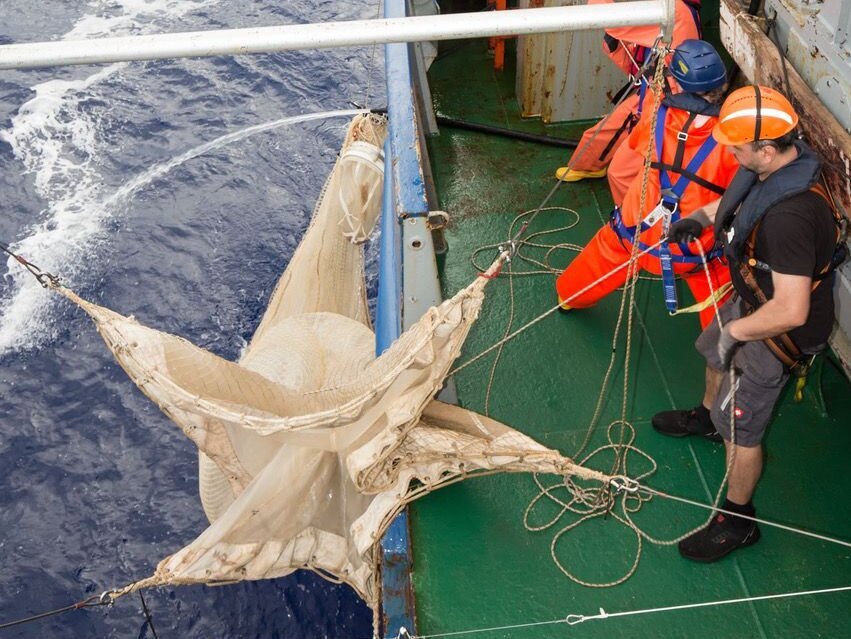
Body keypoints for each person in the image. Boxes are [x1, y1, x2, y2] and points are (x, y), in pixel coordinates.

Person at [652, 85, 844, 562]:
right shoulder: (776, 165)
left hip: (779, 330)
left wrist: (737, 334)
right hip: (753, 297)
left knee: (741, 428)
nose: (730, 154)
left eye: (736, 147)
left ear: (766, 149)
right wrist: (700, 218)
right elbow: (741, 205)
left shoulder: (790, 219)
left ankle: (738, 521)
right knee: (710, 350)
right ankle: (706, 418)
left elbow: (792, 310)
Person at [555, 40, 737, 329]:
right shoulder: (732, 139)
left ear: (677, 83)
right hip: (691, 249)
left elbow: (637, 144)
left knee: (606, 251)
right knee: (719, 284)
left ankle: (568, 296)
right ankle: (724, 342)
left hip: (637, 231)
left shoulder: (656, 114)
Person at [555, 0, 703, 206]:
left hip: (667, 109)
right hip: (650, 93)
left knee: (620, 174)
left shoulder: (673, 10)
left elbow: (609, 19)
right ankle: (588, 166)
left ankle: (637, 221)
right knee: (598, 135)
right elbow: (636, 59)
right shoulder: (674, 7)